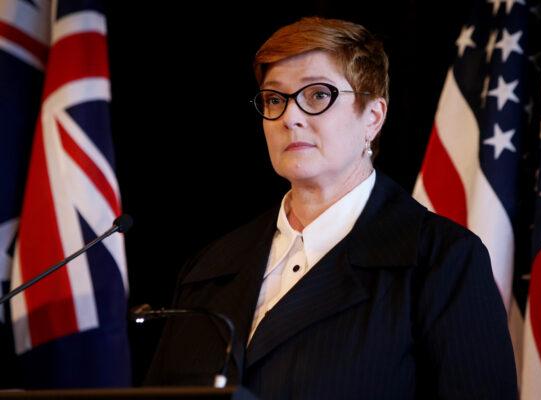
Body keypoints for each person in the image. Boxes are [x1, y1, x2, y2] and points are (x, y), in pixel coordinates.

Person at [144, 16, 517, 399]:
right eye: (275, 99)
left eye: (318, 95)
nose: (290, 117)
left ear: (373, 117)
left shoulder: (441, 260)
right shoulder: (209, 269)